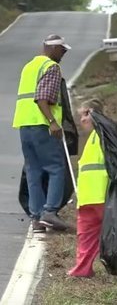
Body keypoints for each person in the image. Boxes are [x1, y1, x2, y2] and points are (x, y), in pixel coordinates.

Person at [12, 34, 71, 232]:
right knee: (56, 167)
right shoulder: (51, 67)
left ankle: (36, 218)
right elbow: (42, 98)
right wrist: (53, 122)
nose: (63, 54)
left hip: (24, 126)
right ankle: (50, 212)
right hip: (42, 125)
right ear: (52, 48)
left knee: (33, 170)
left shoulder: (29, 66)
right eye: (62, 50)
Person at [68, 98, 109, 278]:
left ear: (97, 114)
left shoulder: (104, 136)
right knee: (86, 235)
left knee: (96, 235)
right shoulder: (93, 138)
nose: (82, 119)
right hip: (89, 197)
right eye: (81, 115)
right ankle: (82, 269)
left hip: (100, 195)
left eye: (87, 114)